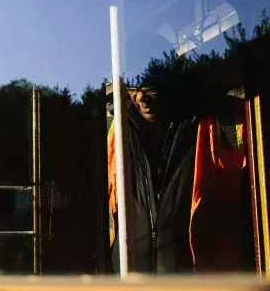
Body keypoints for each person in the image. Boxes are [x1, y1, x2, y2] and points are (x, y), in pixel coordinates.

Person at [107, 80, 249, 274]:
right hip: (129, 280)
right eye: (133, 89)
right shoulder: (117, 126)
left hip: (196, 282)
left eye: (151, 88)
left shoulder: (209, 122)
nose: (140, 97)